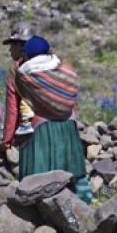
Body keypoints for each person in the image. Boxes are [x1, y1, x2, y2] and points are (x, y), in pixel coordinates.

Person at [16, 36, 92, 203]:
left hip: (42, 129)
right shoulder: (65, 71)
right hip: (67, 126)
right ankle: (82, 202)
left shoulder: (26, 75)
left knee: (40, 174)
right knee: (72, 169)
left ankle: (38, 207)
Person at [2, 22, 39, 149]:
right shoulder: (51, 63)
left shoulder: (17, 69)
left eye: (12, 45)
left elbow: (12, 109)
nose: (9, 49)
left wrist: (7, 139)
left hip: (32, 129)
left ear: (19, 45)